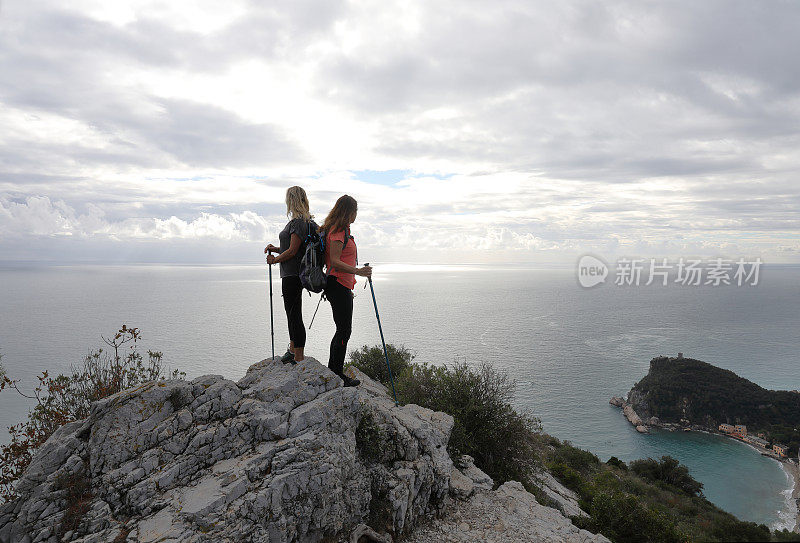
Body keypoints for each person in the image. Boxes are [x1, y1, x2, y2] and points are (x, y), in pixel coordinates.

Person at [320, 195, 372, 387]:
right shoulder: (338, 231)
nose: (356, 215)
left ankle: (333, 369)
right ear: (349, 211)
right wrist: (358, 271)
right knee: (344, 330)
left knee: (342, 329)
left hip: (342, 285)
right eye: (355, 211)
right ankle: (336, 373)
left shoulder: (342, 230)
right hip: (337, 284)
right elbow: (334, 261)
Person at [265, 186, 318, 364]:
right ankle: (293, 351)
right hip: (298, 274)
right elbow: (294, 247)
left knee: (294, 315)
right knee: (293, 313)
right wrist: (276, 249)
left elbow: (293, 251)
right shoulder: (306, 221)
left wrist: (275, 260)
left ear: (291, 200)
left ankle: (299, 357)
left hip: (292, 275)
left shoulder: (297, 223)